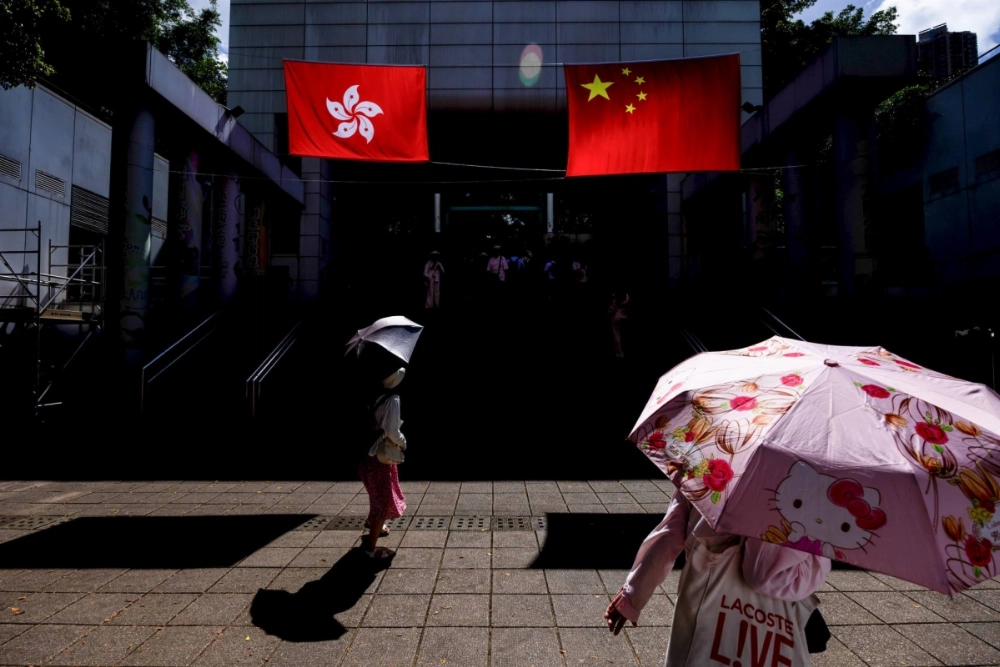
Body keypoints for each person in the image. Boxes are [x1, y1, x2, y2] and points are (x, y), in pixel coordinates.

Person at [605, 469, 830, 666]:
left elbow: (669, 537)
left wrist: (632, 596)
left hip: (709, 593)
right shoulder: (810, 488)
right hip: (775, 623)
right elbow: (770, 577)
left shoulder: (707, 461)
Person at [358, 366, 409, 559]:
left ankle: (373, 523)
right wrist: (403, 443)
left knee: (375, 492)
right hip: (381, 455)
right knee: (383, 500)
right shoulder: (392, 399)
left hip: (366, 454)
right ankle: (370, 549)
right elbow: (392, 432)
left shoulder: (372, 395)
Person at [609, 291, 629, 358]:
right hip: (624, 315)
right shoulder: (627, 297)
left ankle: (619, 353)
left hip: (618, 316)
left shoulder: (615, 298)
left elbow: (612, 309)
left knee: (617, 335)